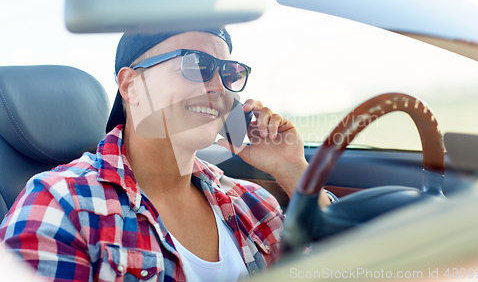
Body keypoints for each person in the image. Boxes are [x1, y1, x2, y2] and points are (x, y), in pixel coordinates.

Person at [0, 28, 332, 282]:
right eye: (196, 65)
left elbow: (345, 267)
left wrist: (292, 170)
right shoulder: (61, 205)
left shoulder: (250, 202)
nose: (218, 86)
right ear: (131, 86)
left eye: (229, 73)